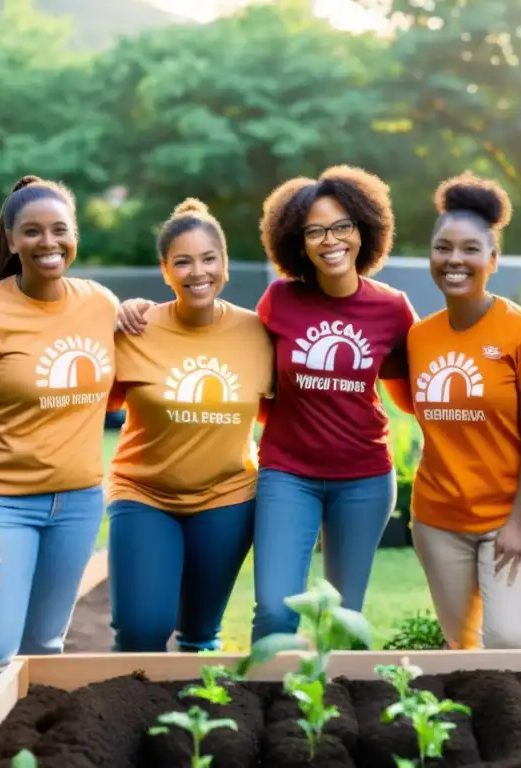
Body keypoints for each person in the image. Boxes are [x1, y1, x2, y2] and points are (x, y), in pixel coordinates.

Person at [115, 166, 416, 643]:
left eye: (342, 226)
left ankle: (326, 715)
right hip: (287, 475)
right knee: (276, 614)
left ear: (364, 229)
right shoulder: (279, 300)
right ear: (297, 241)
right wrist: (134, 309)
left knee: (341, 619)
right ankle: (272, 711)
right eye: (315, 230)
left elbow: (412, 394)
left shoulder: (393, 308)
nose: (330, 240)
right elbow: (242, 370)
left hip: (364, 478)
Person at [0, 176, 117, 741]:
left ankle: (19, 751)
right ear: (11, 240)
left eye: (60, 229)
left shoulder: (100, 303)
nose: (48, 242)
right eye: (32, 231)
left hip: (80, 503)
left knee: (46, 649)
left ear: (75, 236)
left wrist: (136, 309)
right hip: (2, 506)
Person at [105, 199, 272, 652]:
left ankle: (191, 719)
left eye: (208, 259)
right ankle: (134, 715)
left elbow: (277, 420)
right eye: (183, 261)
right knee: (140, 631)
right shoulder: (135, 329)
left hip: (227, 498)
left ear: (225, 265)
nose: (197, 272)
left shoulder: (259, 333)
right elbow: (92, 406)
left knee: (200, 635)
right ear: (165, 270)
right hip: (143, 495)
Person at [406, 173, 521, 650]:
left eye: (470, 249)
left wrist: (516, 522)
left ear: (493, 259)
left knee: (512, 641)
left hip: (516, 518)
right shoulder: (418, 337)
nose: (455, 260)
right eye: (443, 247)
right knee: (462, 651)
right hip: (438, 520)